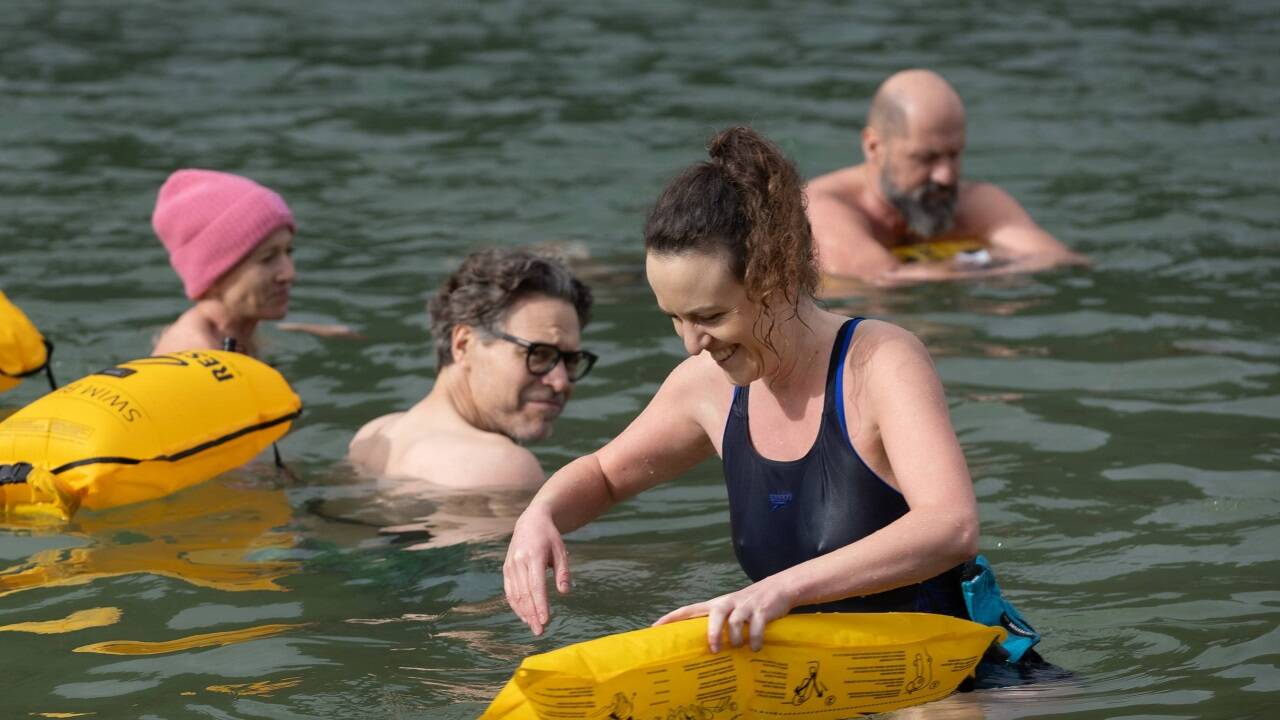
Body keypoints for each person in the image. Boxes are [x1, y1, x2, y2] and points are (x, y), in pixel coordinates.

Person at [503, 127, 983, 653]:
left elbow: (950, 526)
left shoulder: (881, 361)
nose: (691, 344)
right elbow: (604, 476)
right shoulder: (704, 388)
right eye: (675, 318)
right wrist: (540, 515)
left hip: (953, 675)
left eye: (710, 315)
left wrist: (779, 590)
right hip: (810, 682)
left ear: (774, 277)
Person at [806, 69, 1088, 287]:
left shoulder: (973, 202)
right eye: (926, 158)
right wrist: (978, 262)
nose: (946, 176)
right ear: (874, 147)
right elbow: (883, 281)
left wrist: (951, 268)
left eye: (954, 155)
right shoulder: (822, 208)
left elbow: (1061, 261)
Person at [348, 248, 596, 491]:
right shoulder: (501, 467)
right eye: (539, 354)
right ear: (464, 344)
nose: (561, 381)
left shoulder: (373, 436)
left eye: (572, 360)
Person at [151, 169, 355, 356]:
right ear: (213, 275)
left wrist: (306, 331)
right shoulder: (197, 358)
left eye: (288, 251)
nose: (289, 273)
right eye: (267, 259)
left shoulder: (239, 331)